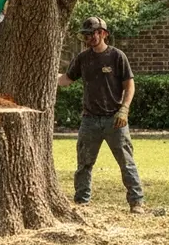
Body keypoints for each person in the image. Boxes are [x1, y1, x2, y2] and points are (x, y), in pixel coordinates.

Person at [57, 17, 145, 213]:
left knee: (126, 162)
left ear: (104, 33)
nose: (91, 37)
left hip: (115, 119)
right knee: (84, 164)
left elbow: (129, 85)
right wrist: (47, 76)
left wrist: (125, 109)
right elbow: (66, 79)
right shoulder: (83, 58)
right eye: (88, 34)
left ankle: (136, 201)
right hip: (89, 119)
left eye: (95, 33)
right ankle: (81, 201)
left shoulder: (117, 56)